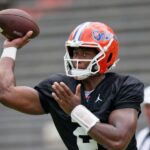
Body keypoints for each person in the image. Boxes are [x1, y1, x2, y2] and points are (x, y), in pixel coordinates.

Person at [0, 22, 144, 150]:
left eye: (85, 53)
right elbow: (4, 92)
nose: (77, 60)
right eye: (75, 53)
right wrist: (10, 49)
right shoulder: (60, 87)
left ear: (107, 55)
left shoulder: (124, 86)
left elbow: (118, 142)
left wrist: (76, 111)